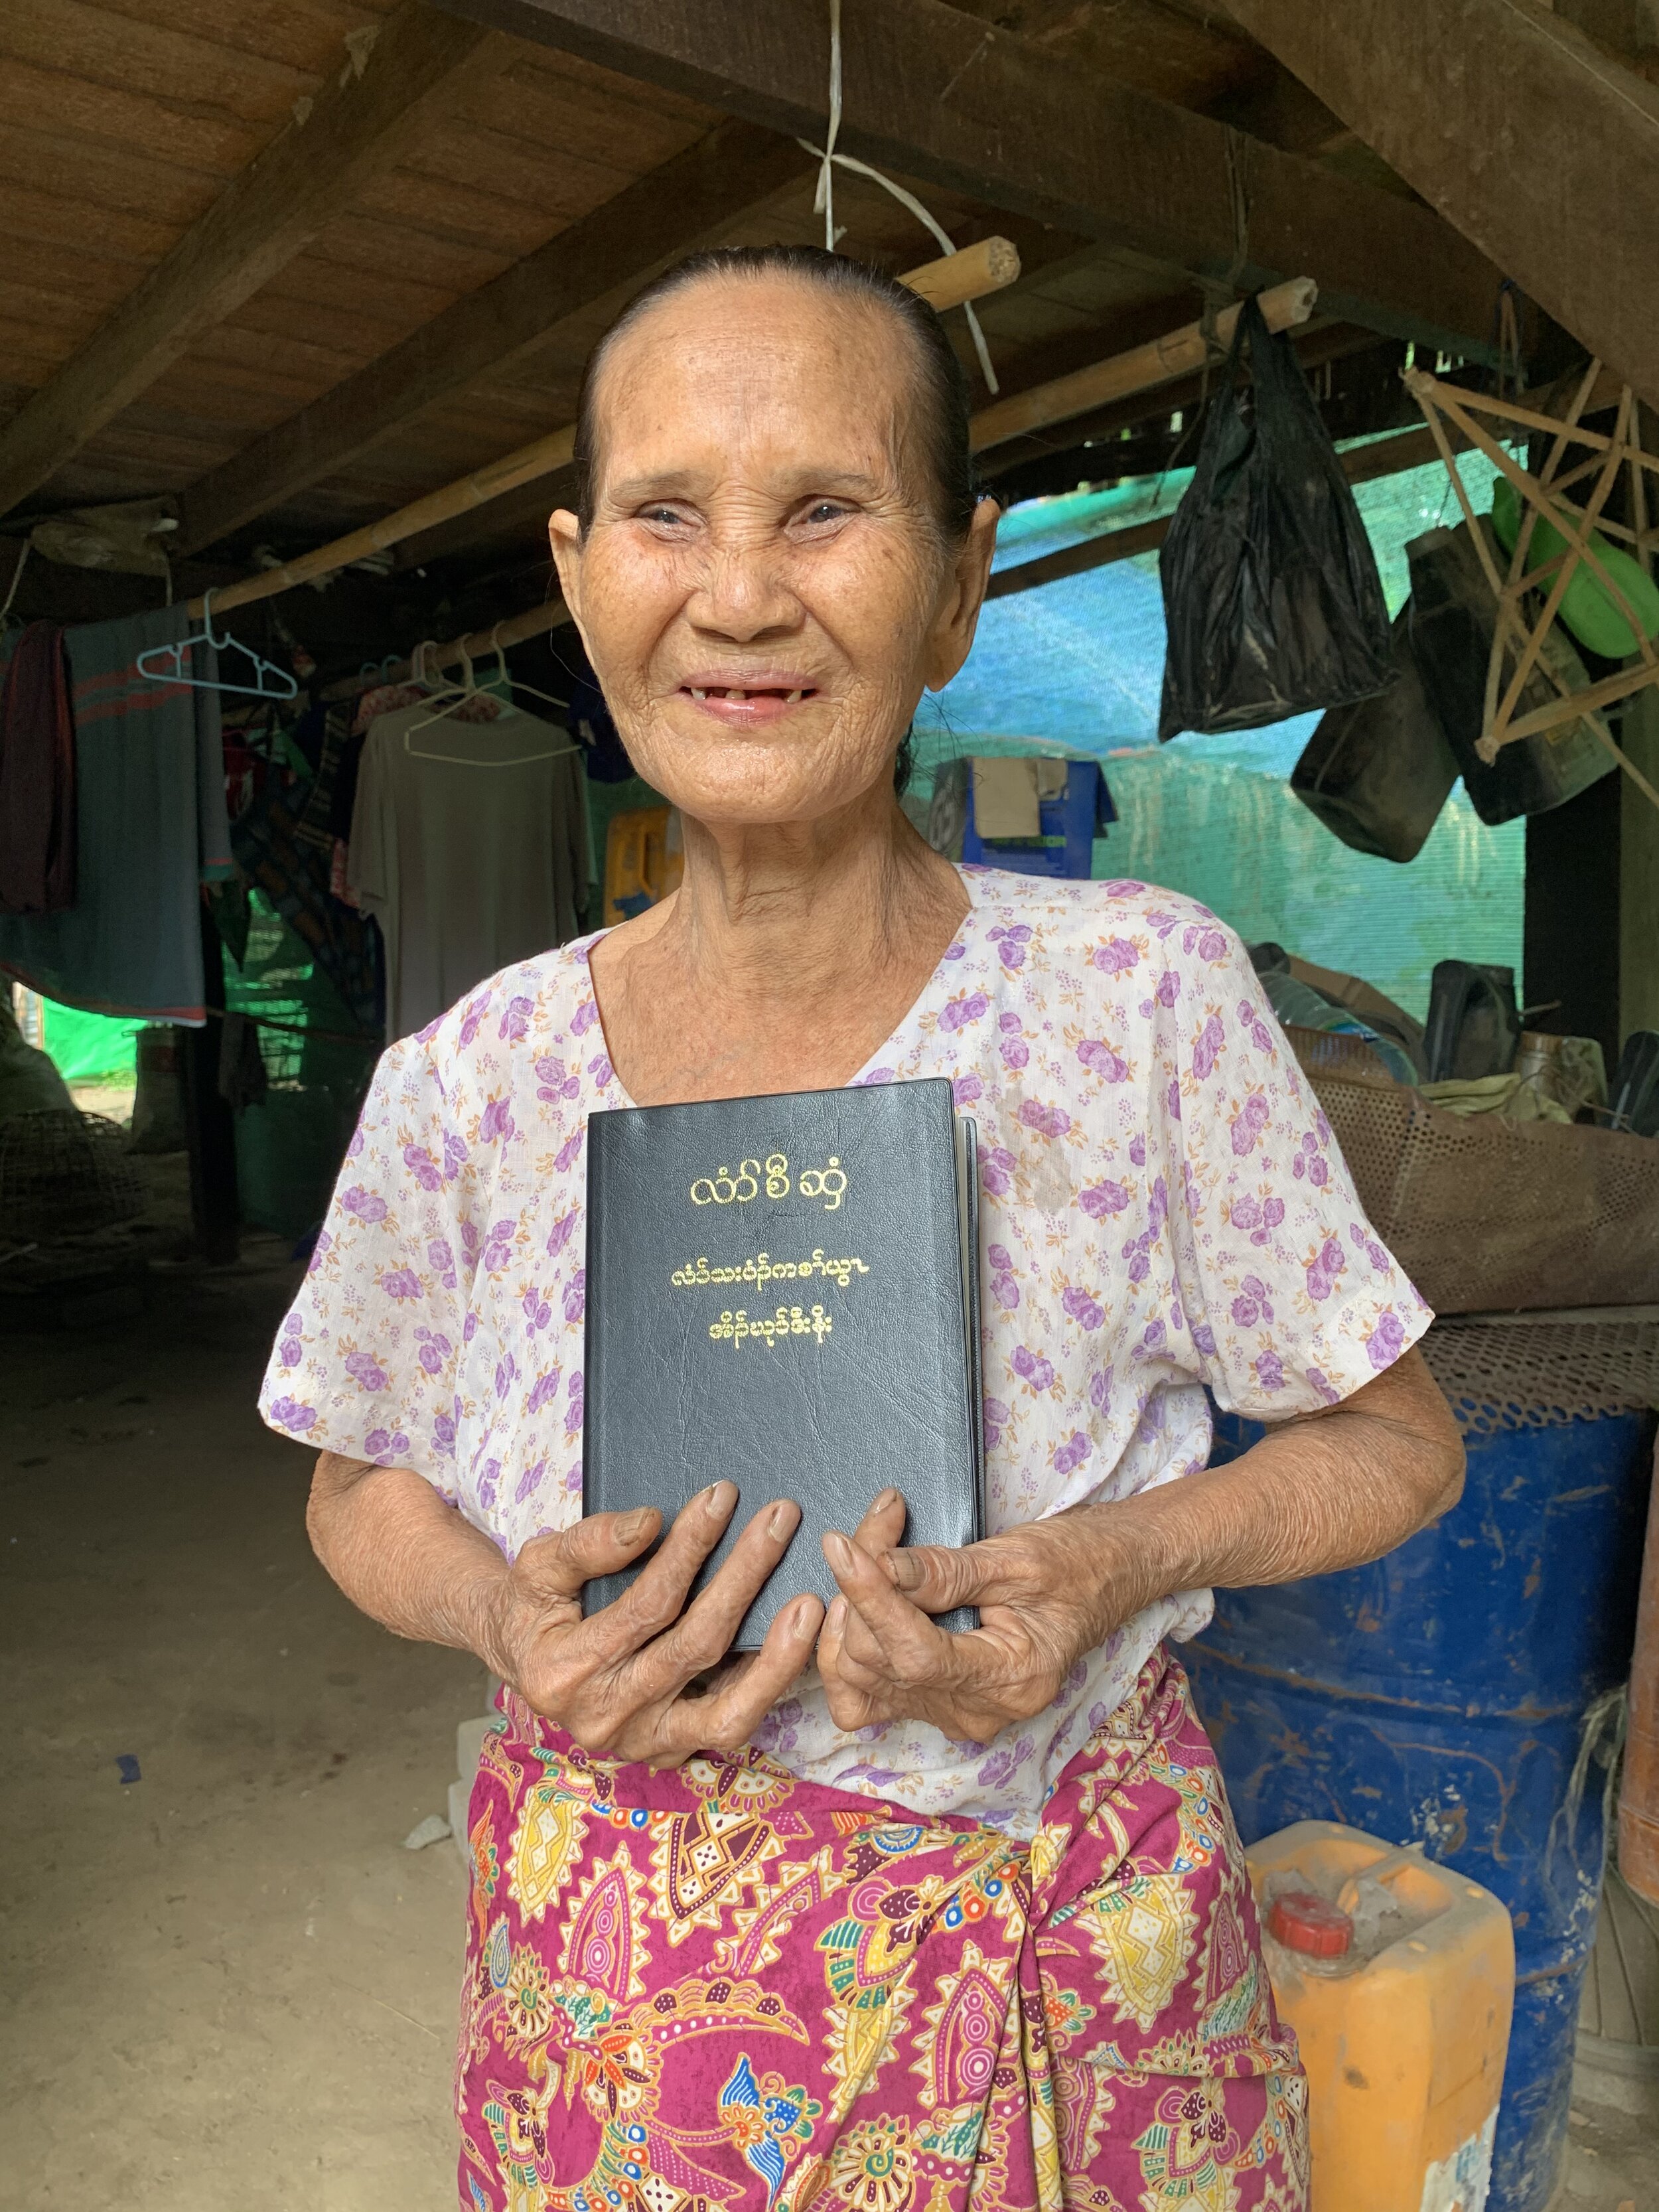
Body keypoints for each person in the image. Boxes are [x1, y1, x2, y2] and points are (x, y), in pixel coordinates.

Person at [262, 245, 1463, 2212]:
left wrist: (1111, 1565)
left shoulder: (1139, 1001)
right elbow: (355, 1482)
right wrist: (500, 1617)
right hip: (618, 2035)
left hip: (1070, 1993)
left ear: (959, 584)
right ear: (578, 576)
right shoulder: (468, 1082)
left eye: (825, 509)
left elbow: (1395, 1443)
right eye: (665, 516)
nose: (739, 596)